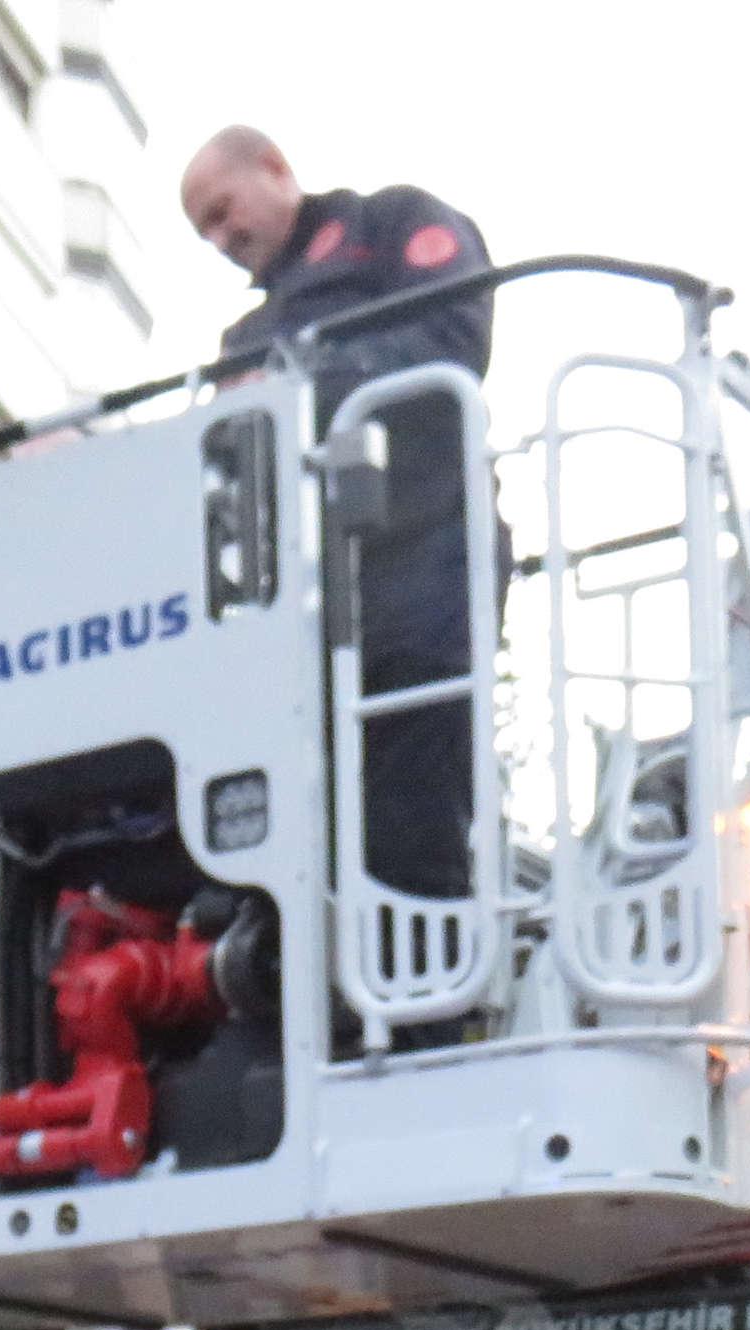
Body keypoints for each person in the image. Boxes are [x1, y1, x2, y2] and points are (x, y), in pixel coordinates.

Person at [181, 124, 495, 903]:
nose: (222, 239)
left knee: (413, 810)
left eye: (223, 212)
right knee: (299, 827)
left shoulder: (390, 228)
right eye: (205, 231)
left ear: (276, 169)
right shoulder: (242, 341)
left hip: (426, 560)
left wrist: (304, 392)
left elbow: (454, 337)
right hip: (303, 602)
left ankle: (430, 1014)